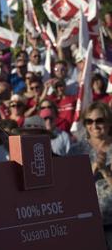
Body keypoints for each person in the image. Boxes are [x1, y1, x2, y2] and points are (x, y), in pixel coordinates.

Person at [69, 102, 112, 247]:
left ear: (109, 122)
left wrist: (106, 172)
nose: (94, 125)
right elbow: (69, 187)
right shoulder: (76, 150)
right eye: (89, 121)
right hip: (84, 223)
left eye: (99, 120)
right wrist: (92, 169)